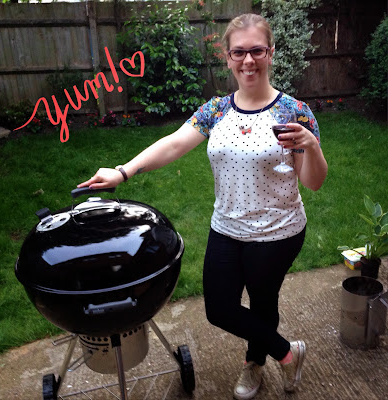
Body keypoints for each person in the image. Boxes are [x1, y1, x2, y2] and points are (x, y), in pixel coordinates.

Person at [78, 13, 327, 399]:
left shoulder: (292, 112)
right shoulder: (216, 110)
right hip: (226, 227)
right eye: (239, 52)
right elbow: (175, 143)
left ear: (271, 52)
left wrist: (311, 146)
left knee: (263, 303)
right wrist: (123, 171)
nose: (248, 60)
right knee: (219, 309)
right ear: (227, 58)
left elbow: (313, 182)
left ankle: (255, 362)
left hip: (277, 231)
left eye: (257, 51)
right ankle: (288, 353)